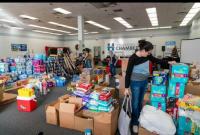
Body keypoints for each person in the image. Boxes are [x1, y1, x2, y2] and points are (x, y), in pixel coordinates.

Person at [124, 40, 176, 135]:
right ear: (143, 50)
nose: (149, 54)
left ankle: (139, 119)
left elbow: (156, 60)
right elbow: (128, 73)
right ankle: (134, 123)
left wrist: (169, 62)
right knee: (135, 104)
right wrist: (126, 88)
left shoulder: (147, 56)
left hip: (144, 81)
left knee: (140, 102)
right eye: (148, 52)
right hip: (135, 83)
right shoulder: (133, 58)